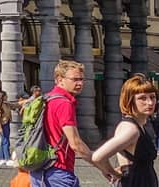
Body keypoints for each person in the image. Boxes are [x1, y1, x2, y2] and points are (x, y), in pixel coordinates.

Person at [37, 59, 115, 187]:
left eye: (82, 79)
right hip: (58, 169)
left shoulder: (48, 98)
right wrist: (103, 167)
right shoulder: (64, 103)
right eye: (75, 79)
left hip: (41, 169)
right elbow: (76, 144)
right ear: (59, 79)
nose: (80, 83)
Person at [96, 75, 158, 187]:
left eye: (152, 97)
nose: (150, 103)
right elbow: (98, 156)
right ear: (130, 100)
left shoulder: (138, 125)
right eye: (142, 98)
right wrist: (113, 173)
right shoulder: (131, 129)